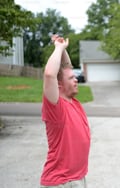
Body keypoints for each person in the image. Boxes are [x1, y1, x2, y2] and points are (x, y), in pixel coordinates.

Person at [40, 35, 91, 188]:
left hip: (77, 178)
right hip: (61, 182)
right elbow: (50, 74)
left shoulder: (73, 103)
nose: (76, 80)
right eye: (71, 78)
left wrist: (62, 48)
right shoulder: (56, 107)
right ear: (59, 85)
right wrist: (58, 48)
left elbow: (66, 67)